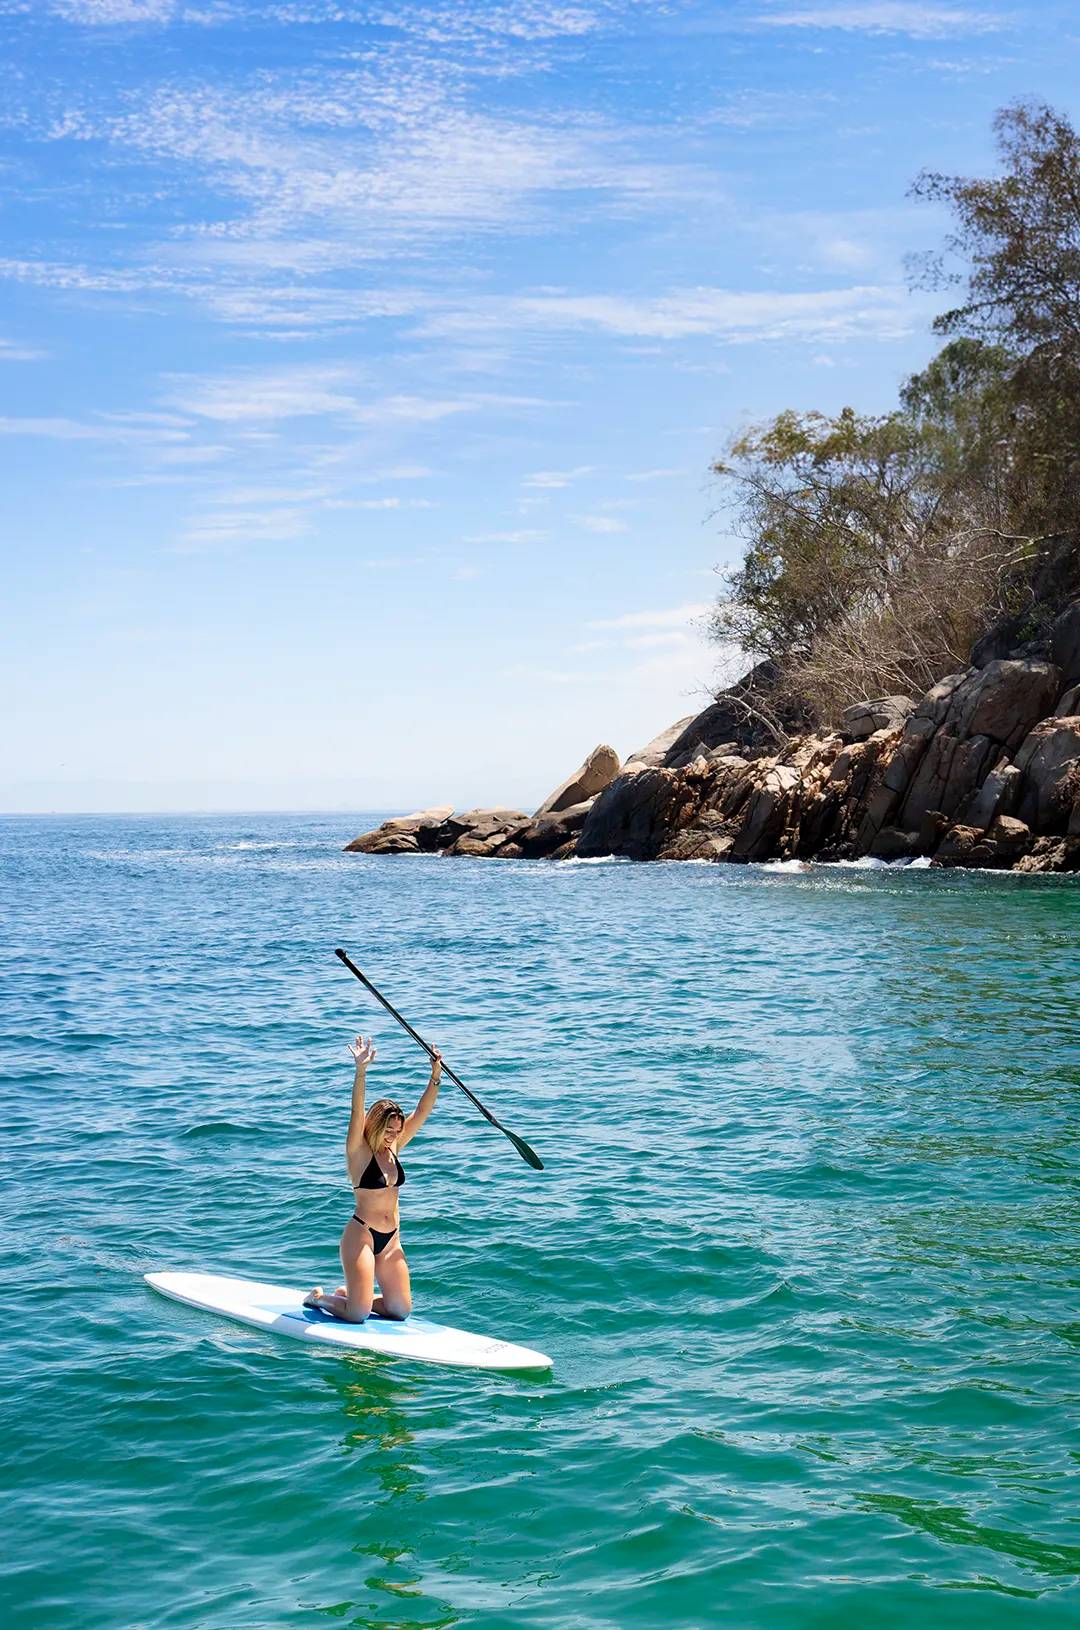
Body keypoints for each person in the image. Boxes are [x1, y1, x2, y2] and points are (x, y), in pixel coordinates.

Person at [304, 1033, 442, 1323]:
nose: (394, 1135)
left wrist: (435, 1075)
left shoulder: (394, 1148)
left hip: (392, 1240)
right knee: (358, 1314)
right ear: (377, 1124)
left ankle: (355, 1295)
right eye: (389, 1129)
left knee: (400, 1310)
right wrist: (361, 1071)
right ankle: (319, 1297)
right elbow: (356, 1112)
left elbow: (423, 1111)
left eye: (397, 1130)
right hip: (362, 1235)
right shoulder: (359, 1152)